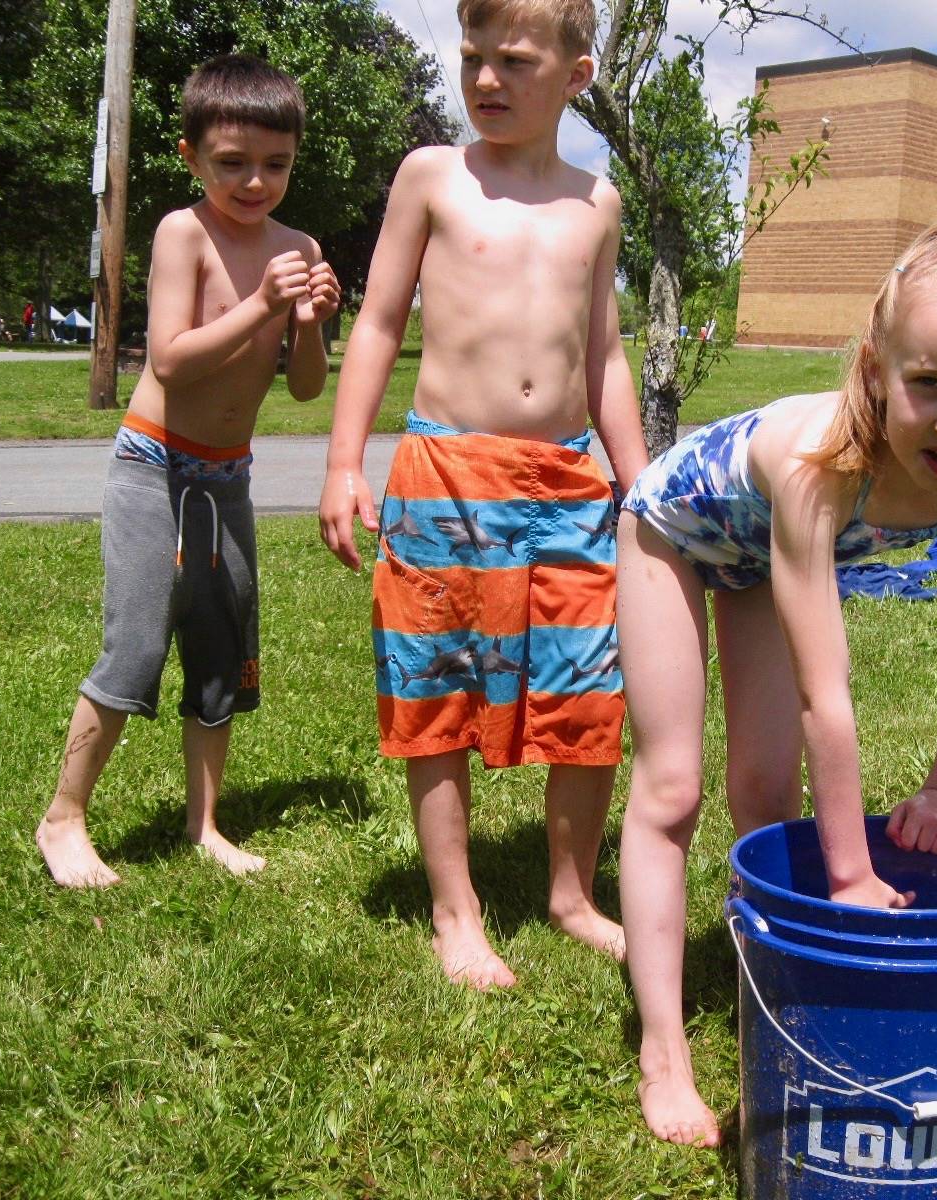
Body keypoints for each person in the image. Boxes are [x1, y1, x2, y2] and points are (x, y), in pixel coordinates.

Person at [615, 219, 937, 1146]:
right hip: (676, 534)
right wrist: (850, 876)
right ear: (874, 365)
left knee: (767, 799)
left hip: (753, 557)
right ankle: (662, 1051)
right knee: (672, 786)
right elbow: (829, 690)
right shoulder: (824, 462)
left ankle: (772, 985)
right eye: (928, 383)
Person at [318, 0, 648, 990]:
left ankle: (572, 894)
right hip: (445, 479)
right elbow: (377, 322)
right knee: (440, 689)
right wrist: (344, 463)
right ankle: (455, 911)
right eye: (472, 59)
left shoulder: (597, 202)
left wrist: (643, 485)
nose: (486, 80)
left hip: (570, 483)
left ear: (575, 75)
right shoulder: (433, 177)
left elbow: (605, 354)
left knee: (591, 688)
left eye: (512, 60)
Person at [36, 54, 340, 889]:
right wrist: (264, 305)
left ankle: (203, 824)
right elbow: (171, 362)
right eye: (231, 163)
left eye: (275, 164)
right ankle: (63, 819)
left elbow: (306, 385)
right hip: (152, 467)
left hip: (226, 480)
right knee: (135, 646)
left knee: (218, 651)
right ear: (190, 157)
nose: (254, 181)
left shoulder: (296, 246)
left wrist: (310, 320)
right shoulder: (184, 233)